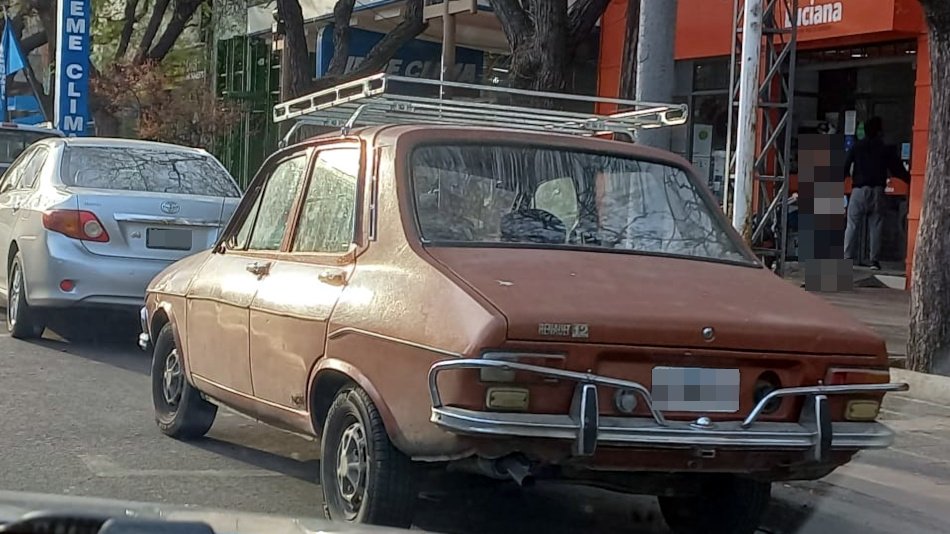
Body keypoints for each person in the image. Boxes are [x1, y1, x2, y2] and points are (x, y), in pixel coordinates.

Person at [843, 117, 910, 270]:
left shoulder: (857, 147)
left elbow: (845, 167)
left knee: (852, 225)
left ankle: (847, 257)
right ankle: (874, 260)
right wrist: (909, 179)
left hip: (859, 190)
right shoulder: (884, 149)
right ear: (879, 131)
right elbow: (897, 169)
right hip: (877, 191)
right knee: (876, 225)